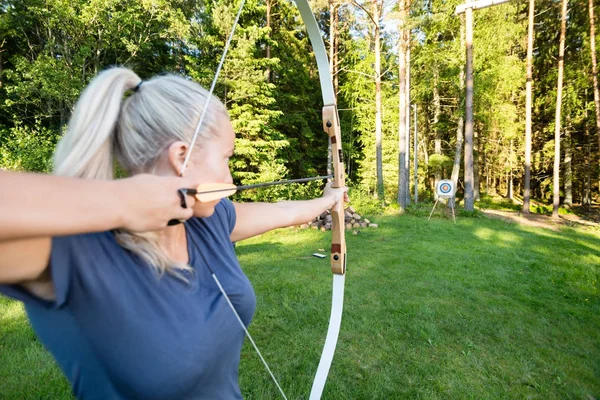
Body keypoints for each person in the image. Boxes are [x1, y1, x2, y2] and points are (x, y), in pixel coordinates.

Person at [0, 67, 347, 399]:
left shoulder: (208, 221)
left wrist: (329, 199)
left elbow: (282, 212)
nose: (230, 178)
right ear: (181, 156)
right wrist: (120, 201)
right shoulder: (77, 251)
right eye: (226, 157)